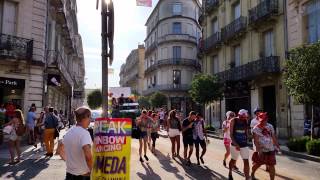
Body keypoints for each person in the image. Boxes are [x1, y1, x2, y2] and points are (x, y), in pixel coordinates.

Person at [59, 106, 93, 180]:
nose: (90, 120)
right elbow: (88, 156)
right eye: (90, 117)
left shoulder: (70, 131)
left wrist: (70, 163)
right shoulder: (84, 133)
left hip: (69, 174)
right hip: (83, 175)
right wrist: (92, 171)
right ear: (85, 117)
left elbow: (60, 149)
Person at [251, 112, 280, 180]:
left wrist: (277, 145)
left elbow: (273, 136)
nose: (263, 122)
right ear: (259, 120)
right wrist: (259, 150)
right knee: (258, 164)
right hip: (262, 149)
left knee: (271, 165)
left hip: (270, 149)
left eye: (264, 120)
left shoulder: (270, 126)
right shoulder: (256, 128)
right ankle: (252, 173)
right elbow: (256, 141)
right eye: (261, 120)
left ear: (267, 119)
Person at [228, 109, 250, 180]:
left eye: (244, 117)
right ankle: (230, 172)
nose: (243, 118)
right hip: (235, 144)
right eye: (242, 117)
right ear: (239, 115)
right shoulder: (233, 120)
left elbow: (246, 132)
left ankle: (247, 178)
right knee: (233, 160)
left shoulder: (245, 120)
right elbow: (231, 134)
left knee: (246, 161)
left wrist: (249, 138)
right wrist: (236, 144)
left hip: (244, 144)